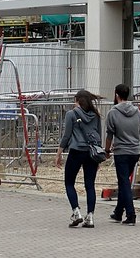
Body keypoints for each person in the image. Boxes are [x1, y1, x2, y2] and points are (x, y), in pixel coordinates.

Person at [55, 89, 102, 228]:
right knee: (89, 185)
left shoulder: (71, 114)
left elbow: (66, 135)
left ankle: (76, 212)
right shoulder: (95, 115)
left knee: (69, 183)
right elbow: (98, 135)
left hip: (76, 151)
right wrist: (98, 157)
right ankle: (90, 216)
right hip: (91, 152)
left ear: (77, 100)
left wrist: (58, 153)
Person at [105, 83, 140, 226]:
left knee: (124, 183)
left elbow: (109, 134)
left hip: (121, 152)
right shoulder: (137, 111)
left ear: (116, 95)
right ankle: (118, 212)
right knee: (124, 181)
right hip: (134, 151)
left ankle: (131, 214)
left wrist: (107, 150)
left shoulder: (113, 113)